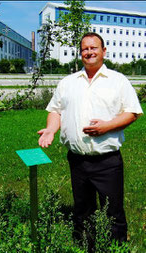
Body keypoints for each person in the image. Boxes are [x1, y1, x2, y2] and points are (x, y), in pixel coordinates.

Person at [38, 32, 143, 244]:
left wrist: (106, 126)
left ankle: (116, 247)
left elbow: (132, 112)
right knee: (82, 210)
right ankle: (83, 246)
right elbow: (55, 111)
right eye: (85, 49)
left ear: (104, 51)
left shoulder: (118, 81)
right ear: (80, 53)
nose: (89, 52)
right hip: (77, 160)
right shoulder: (68, 82)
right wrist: (51, 129)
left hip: (107, 161)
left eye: (94, 48)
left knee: (113, 211)